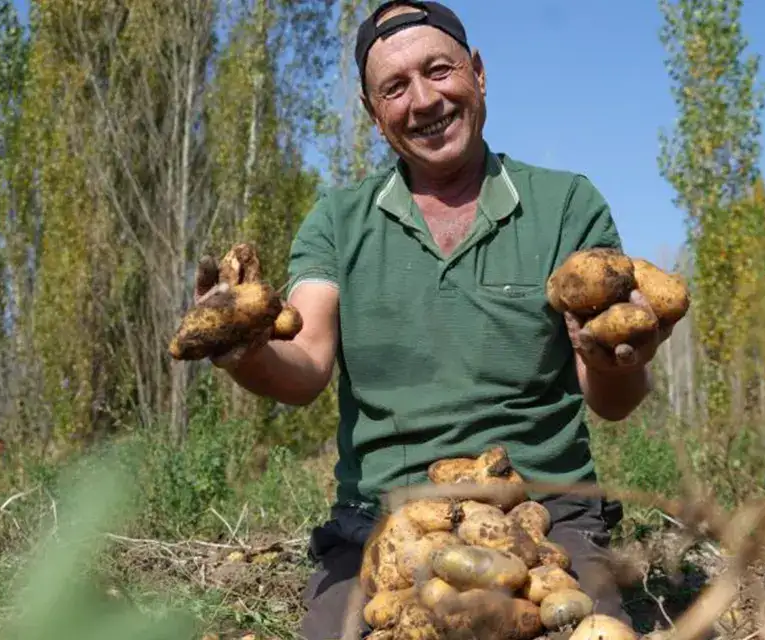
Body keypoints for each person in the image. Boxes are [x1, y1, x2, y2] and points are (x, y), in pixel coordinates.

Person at [201, 1, 668, 637]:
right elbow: (304, 364)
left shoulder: (566, 206)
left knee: (584, 626)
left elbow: (613, 402)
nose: (423, 100)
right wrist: (243, 347)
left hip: (545, 512)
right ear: (373, 113)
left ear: (477, 73)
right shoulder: (338, 221)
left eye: (439, 71)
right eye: (394, 87)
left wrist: (621, 353)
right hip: (381, 517)